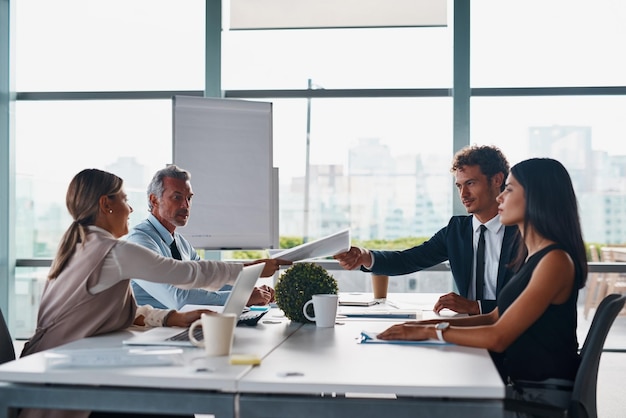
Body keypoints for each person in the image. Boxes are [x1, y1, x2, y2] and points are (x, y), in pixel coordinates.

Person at [19, 168, 289, 418]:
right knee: (172, 401)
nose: (131, 208)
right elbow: (187, 275)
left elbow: (98, 308)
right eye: (124, 199)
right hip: (62, 379)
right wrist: (249, 268)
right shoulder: (114, 251)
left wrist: (170, 318)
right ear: (106, 204)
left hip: (59, 365)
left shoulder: (82, 245)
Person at [377, 158, 588, 411]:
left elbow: (498, 337)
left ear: (535, 197)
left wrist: (427, 333)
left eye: (509, 190)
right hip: (520, 386)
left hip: (536, 397)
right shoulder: (534, 255)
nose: (501, 198)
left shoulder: (555, 261)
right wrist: (420, 324)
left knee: (414, 392)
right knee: (414, 386)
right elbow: (494, 317)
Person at [335, 145, 520, 315]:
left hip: (515, 335)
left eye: (470, 183)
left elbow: (531, 300)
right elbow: (408, 260)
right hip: (468, 326)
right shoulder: (456, 231)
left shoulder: (524, 233)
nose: (463, 194)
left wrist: (476, 307)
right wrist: (365, 256)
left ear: (497, 180)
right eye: (459, 186)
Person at [127, 165, 274, 310]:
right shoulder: (139, 241)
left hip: (182, 327)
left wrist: (255, 292)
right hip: (149, 330)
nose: (186, 205)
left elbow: (209, 281)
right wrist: (241, 296)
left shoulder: (181, 243)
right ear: (154, 200)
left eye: (189, 198)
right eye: (177, 197)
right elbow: (179, 299)